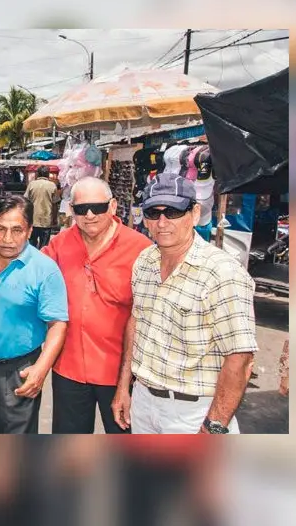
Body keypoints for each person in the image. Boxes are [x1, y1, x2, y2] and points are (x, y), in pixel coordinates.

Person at [0, 176, 152, 433]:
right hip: (70, 369)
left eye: (98, 207)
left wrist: (127, 381)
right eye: (81, 209)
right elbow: (24, 260)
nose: (89, 215)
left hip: (120, 370)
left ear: (113, 206)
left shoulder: (141, 249)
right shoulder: (60, 244)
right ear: (71, 211)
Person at [112, 173, 258, 434]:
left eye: (173, 211)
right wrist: (124, 387)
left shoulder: (222, 273)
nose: (162, 222)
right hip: (144, 401)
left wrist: (214, 425)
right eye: (153, 213)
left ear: (194, 213)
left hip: (194, 413)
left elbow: (240, 358)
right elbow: (137, 323)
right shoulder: (144, 261)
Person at [0, 196, 68, 434]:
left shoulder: (45, 270)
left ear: (30, 230)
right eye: (0, 229)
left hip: (19, 371)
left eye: (17, 230)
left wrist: (41, 369)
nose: (8, 239)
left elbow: (57, 324)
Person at [24, 166, 59, 248]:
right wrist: (54, 219)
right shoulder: (52, 185)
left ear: (38, 174)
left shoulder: (31, 184)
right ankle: (41, 259)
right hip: (46, 220)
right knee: (44, 246)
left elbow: (25, 201)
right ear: (47, 174)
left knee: (31, 244)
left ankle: (32, 259)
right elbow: (55, 204)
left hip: (33, 220)